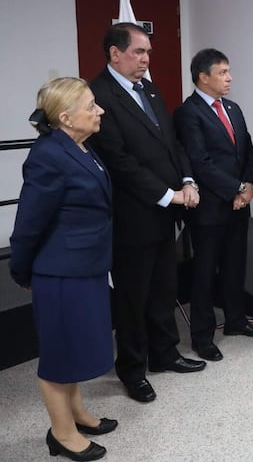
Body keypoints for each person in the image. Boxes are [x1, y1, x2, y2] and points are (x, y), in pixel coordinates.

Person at [89, 23, 205, 404]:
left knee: (163, 287)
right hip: (131, 215)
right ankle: (133, 370)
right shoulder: (98, 95)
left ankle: (165, 353)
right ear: (114, 54)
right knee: (132, 297)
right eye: (139, 52)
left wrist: (187, 180)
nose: (146, 60)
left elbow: (171, 143)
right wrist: (167, 194)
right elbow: (118, 161)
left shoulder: (148, 88)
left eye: (148, 53)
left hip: (165, 211)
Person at [10, 78, 115, 461]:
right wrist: (22, 272)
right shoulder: (48, 155)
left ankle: (78, 413)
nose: (99, 110)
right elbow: (29, 223)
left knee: (75, 348)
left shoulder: (80, 147)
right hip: (60, 272)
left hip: (85, 266)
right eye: (91, 106)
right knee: (58, 355)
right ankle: (61, 433)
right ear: (67, 118)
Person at [173, 49, 253, 363]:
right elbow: (200, 162)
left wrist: (247, 187)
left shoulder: (233, 107)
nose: (229, 78)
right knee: (204, 272)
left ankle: (236, 321)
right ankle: (202, 336)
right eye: (223, 72)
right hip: (210, 208)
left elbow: (248, 152)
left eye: (229, 72)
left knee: (235, 266)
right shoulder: (189, 113)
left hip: (238, 205)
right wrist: (236, 188)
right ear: (203, 77)